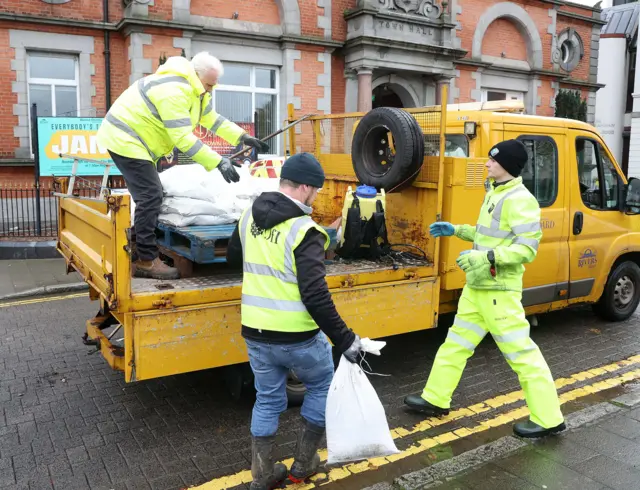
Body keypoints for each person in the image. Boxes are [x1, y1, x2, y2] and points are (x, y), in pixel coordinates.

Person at [404, 139, 566, 439]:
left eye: (492, 160)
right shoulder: (494, 192)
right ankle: (435, 398)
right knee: (455, 344)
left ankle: (548, 418)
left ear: (507, 165)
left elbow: (526, 250)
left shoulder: (520, 199)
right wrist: (457, 230)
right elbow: (487, 235)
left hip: (498, 292)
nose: (487, 164)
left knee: (522, 355)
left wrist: (487, 257)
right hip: (478, 287)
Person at [226, 152, 363, 490]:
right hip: (298, 338)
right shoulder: (304, 230)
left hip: (256, 333)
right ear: (304, 187)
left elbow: (233, 257)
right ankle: (303, 465)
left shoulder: (248, 217)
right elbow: (316, 296)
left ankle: (262, 475)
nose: (315, 197)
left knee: (268, 399)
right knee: (319, 387)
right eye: (315, 190)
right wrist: (346, 340)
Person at [97, 52, 269, 280]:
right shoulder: (174, 90)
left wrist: (242, 137)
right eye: (209, 84)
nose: (210, 90)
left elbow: (211, 120)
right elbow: (183, 138)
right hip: (125, 139)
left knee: (151, 194)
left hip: (139, 142)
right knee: (150, 195)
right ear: (197, 76)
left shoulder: (196, 90)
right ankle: (146, 260)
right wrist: (218, 162)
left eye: (213, 85)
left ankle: (139, 251)